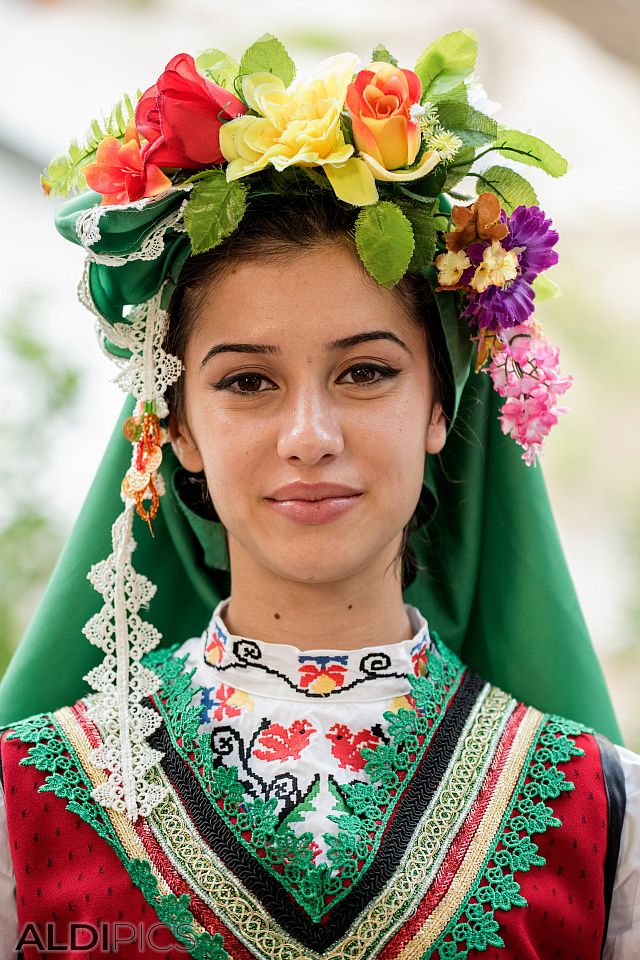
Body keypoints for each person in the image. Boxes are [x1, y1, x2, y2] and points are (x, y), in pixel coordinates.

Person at [0, 31, 637, 959]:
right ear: (173, 424)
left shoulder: (604, 812)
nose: (310, 437)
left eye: (366, 373)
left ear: (439, 405)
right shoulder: (28, 799)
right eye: (248, 382)